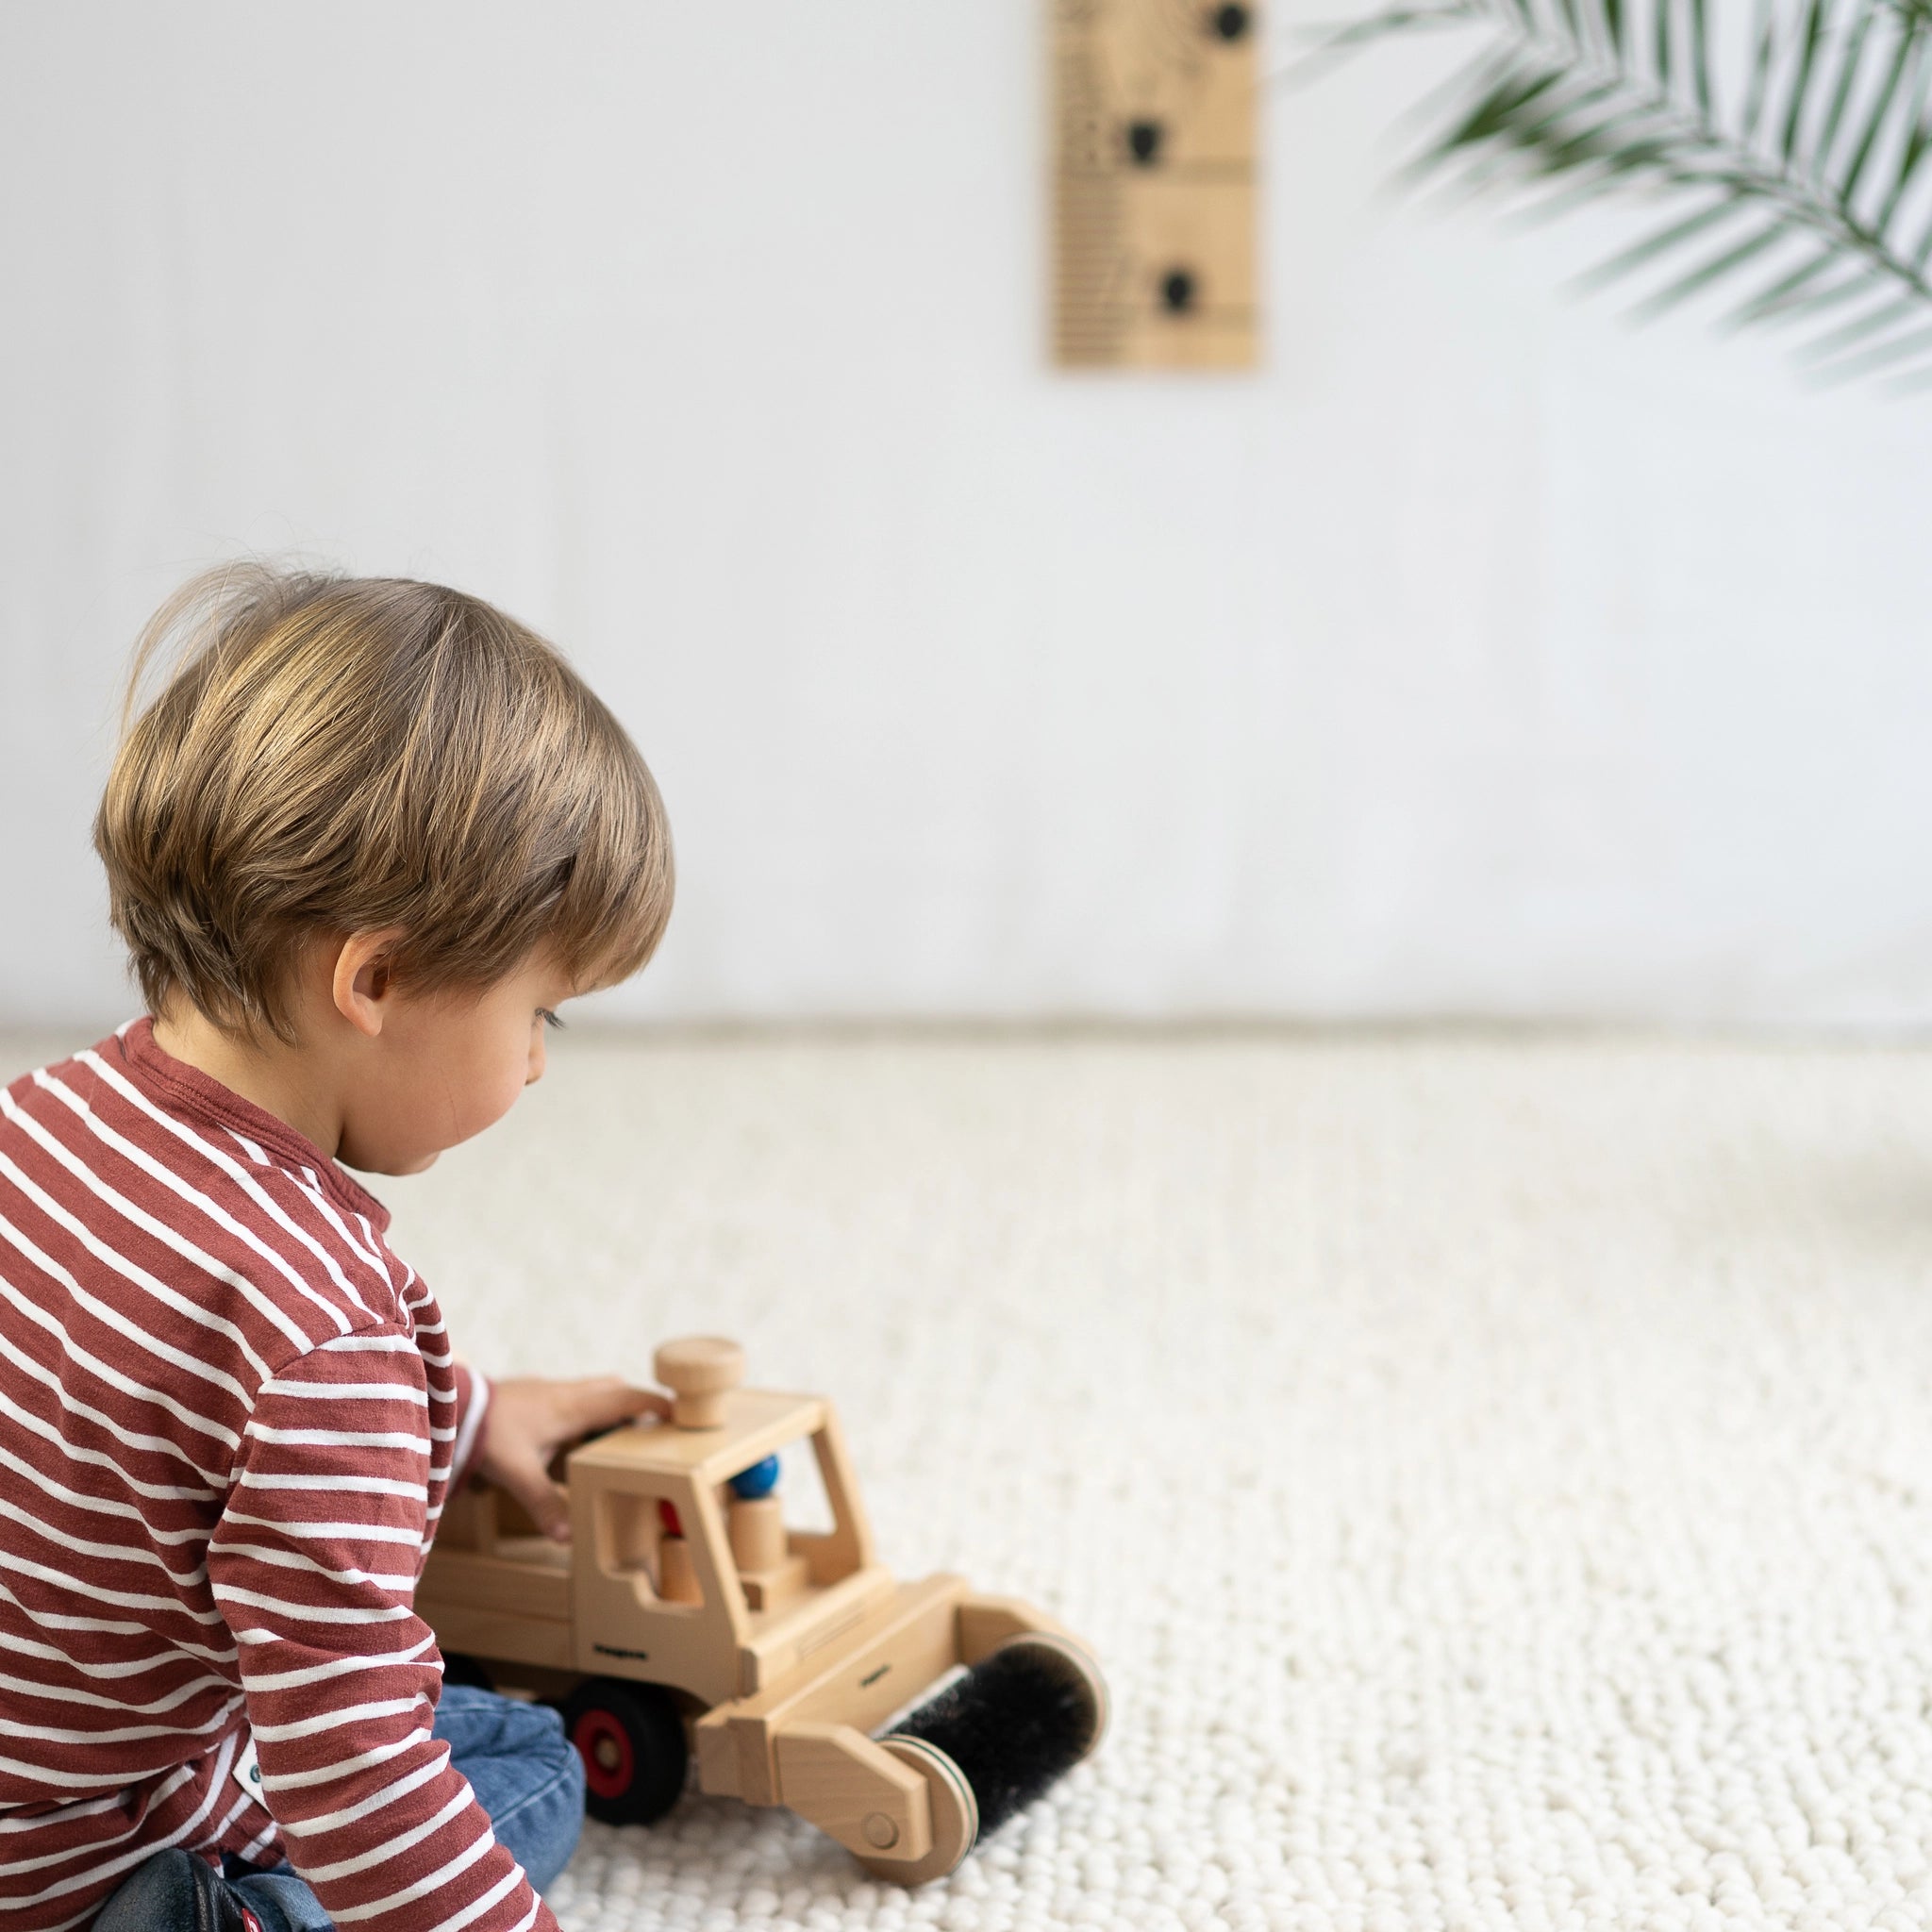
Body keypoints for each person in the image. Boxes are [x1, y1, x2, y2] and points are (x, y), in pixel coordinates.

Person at [0, 566, 676, 1932]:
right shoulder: (322, 1327)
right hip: (77, 1861)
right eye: (544, 1011)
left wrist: (462, 1407)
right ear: (373, 980)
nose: (539, 1065)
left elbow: (142, 1410)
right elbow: (355, 1766)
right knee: (533, 1761)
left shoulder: (44, 1119)